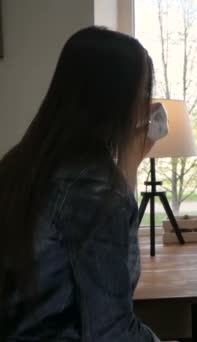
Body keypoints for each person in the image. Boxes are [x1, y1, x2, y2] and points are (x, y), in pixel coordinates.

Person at [0, 27, 161, 341]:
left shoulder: (20, 164)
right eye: (142, 94)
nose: (144, 107)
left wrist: (129, 161)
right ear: (115, 98)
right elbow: (111, 333)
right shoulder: (93, 187)